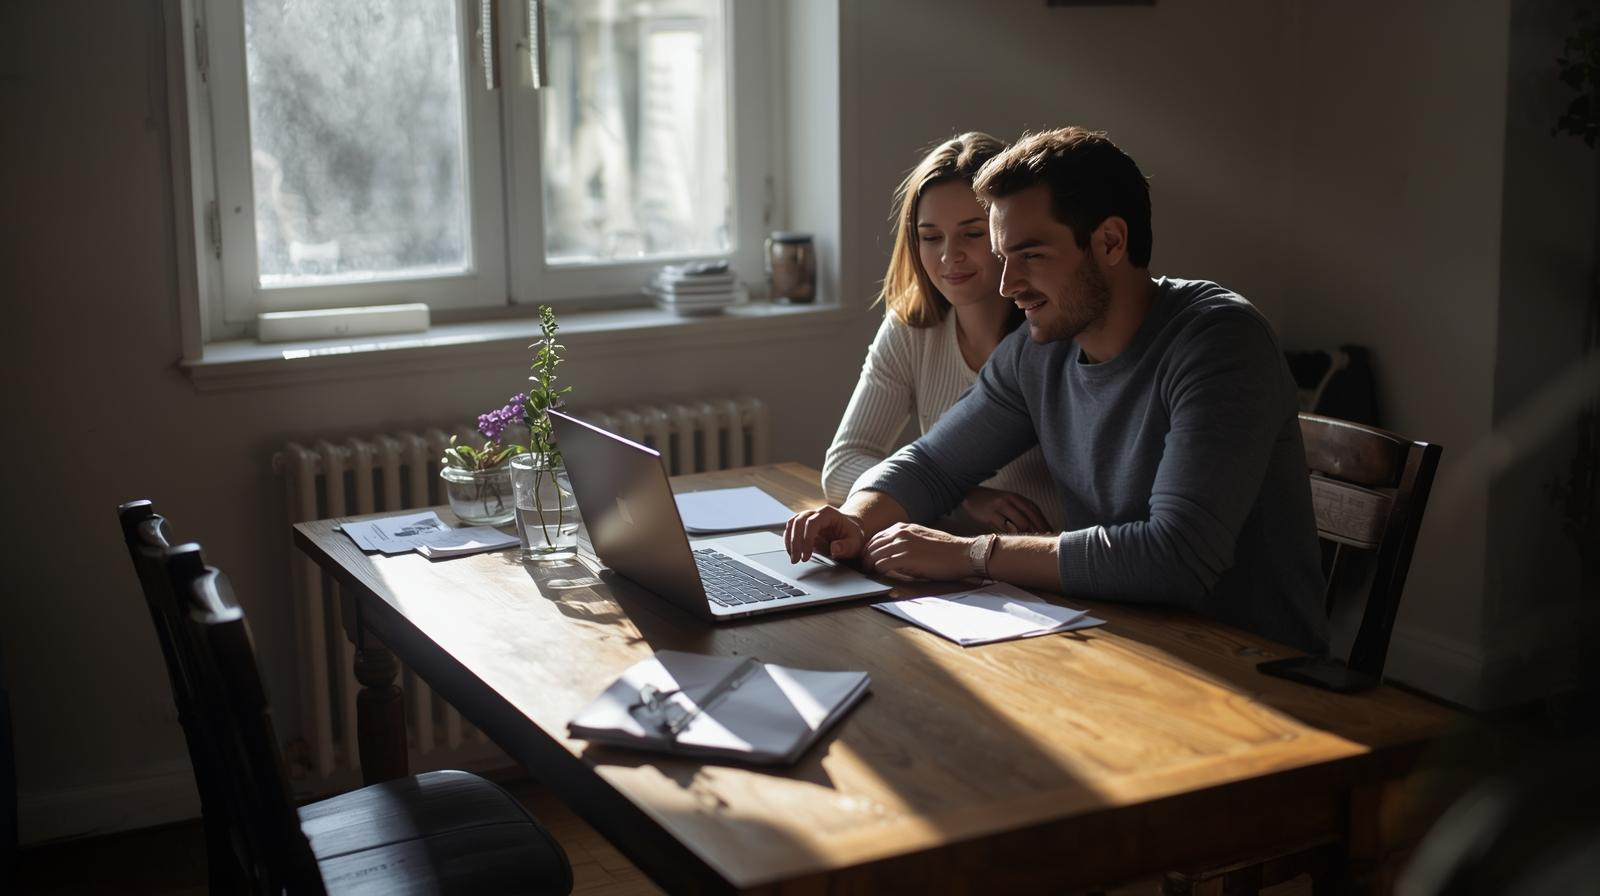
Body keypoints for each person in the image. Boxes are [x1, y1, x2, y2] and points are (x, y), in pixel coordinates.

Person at [787, 126, 1327, 652]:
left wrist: (971, 553)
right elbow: (931, 465)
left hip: (1252, 673)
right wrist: (855, 522)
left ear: (1110, 241)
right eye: (1004, 257)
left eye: (1031, 255)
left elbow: (1175, 557)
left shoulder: (1220, 342)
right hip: (1115, 639)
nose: (1006, 285)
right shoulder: (1040, 349)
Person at [823, 132, 1060, 535]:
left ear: (1007, 232)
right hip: (947, 560)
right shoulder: (911, 327)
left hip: (1045, 564)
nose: (950, 256)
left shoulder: (1055, 331)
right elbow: (843, 466)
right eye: (931, 237)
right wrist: (958, 494)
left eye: (972, 233)